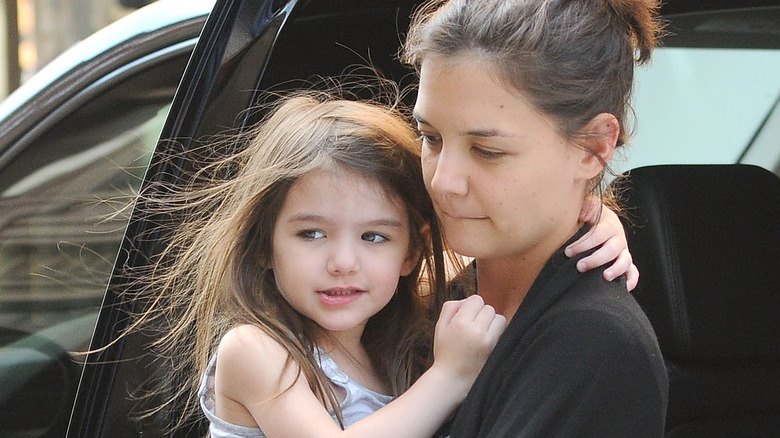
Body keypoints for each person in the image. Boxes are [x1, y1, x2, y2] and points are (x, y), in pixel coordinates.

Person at [124, 82, 638, 435]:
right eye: (311, 234)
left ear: (412, 251)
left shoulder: (403, 327)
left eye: (374, 238)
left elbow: (515, 239)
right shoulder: (256, 352)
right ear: (263, 245)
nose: (343, 262)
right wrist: (450, 376)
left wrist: (591, 216)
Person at [402, 0, 669, 436]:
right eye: (429, 137)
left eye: (488, 151)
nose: (444, 180)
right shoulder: (410, 294)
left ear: (594, 147)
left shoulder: (594, 346)